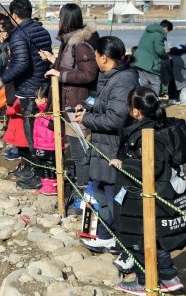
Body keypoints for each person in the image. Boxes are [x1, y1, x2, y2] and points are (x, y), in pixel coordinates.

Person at [110, 87, 184, 294]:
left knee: (137, 238)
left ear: (135, 111)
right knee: (154, 237)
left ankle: (145, 281)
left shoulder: (146, 134)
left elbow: (152, 166)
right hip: (163, 191)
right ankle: (169, 276)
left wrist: (122, 164)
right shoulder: (165, 126)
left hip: (143, 193)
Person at [72, 36, 138, 253]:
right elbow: (103, 104)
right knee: (100, 189)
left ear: (103, 57)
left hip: (113, 146)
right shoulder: (111, 76)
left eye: (96, 56)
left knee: (111, 195)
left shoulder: (123, 80)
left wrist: (86, 120)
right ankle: (103, 234)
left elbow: (115, 119)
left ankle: (116, 240)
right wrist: (87, 109)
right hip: (103, 144)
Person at [0, 0, 52, 181]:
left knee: (31, 132)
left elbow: (22, 64)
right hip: (43, 87)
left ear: (14, 15)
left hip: (29, 88)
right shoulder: (42, 30)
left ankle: (35, 173)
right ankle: (34, 169)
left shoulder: (18, 35)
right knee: (40, 131)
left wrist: (2, 79)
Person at [41, 3, 100, 188]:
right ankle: (80, 183)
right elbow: (71, 65)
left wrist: (60, 75)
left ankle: (83, 189)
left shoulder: (80, 44)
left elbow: (89, 74)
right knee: (76, 149)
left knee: (79, 150)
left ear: (64, 20)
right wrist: (52, 60)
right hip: (69, 101)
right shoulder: (70, 41)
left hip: (76, 104)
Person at [17, 83, 59, 194]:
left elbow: (54, 125)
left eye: (37, 98)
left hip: (49, 145)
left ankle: (51, 186)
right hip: (41, 144)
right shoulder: (41, 111)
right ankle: (45, 185)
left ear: (45, 99)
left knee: (50, 167)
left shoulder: (51, 112)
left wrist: (42, 118)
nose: (35, 101)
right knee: (44, 165)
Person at [133, 19, 173, 95]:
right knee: (156, 83)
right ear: (166, 28)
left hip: (138, 60)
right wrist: (167, 57)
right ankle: (154, 103)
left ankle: (143, 100)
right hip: (149, 63)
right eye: (168, 31)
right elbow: (160, 51)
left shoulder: (148, 32)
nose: (167, 33)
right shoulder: (159, 35)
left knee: (144, 83)